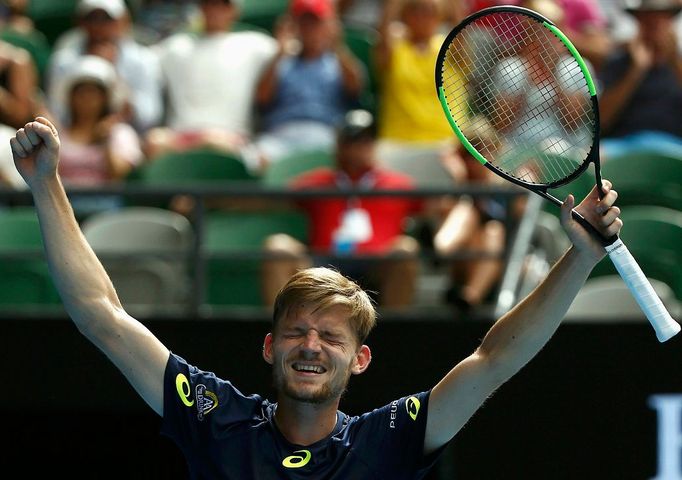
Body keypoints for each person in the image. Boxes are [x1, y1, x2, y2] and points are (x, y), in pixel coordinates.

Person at [11, 115, 623, 478]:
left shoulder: (390, 440)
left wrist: (579, 258)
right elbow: (104, 317)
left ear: (360, 358)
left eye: (332, 336)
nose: (312, 346)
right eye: (299, 331)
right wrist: (46, 186)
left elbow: (495, 360)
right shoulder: (215, 420)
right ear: (270, 346)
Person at [261, 109, 423, 309]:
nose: (361, 147)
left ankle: (395, 337)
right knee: (278, 247)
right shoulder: (318, 181)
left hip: (375, 266)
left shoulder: (398, 184)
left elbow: (440, 206)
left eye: (367, 139)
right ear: (339, 145)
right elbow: (268, 200)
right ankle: (278, 335)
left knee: (405, 248)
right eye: (353, 140)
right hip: (322, 265)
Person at [146, 0, 278, 161]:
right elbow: (142, 61)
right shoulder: (176, 47)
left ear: (234, 10)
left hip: (229, 139)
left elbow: (289, 52)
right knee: (154, 141)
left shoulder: (256, 44)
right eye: (209, 4)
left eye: (222, 5)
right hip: (180, 136)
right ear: (201, 8)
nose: (215, 10)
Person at [251, 0, 365, 173]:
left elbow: (356, 89)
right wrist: (279, 53)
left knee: (347, 158)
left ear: (328, 26)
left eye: (316, 23)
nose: (310, 30)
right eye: (304, 23)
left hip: (325, 135)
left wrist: (338, 46)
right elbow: (262, 98)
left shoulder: (338, 62)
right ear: (294, 27)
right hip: (281, 135)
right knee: (253, 161)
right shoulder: (281, 62)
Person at [47, 0, 163, 133]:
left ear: (123, 21)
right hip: (74, 136)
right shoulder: (63, 61)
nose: (98, 26)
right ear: (80, 22)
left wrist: (110, 70)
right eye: (91, 18)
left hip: (127, 136)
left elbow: (149, 117)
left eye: (106, 19)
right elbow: (57, 112)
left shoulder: (144, 59)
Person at [598, 0, 682, 160]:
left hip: (674, 146)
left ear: (670, 22)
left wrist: (674, 62)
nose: (654, 26)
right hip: (623, 146)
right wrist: (636, 71)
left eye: (660, 20)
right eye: (648, 20)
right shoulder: (619, 62)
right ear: (639, 23)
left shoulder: (678, 64)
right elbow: (602, 119)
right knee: (595, 160)